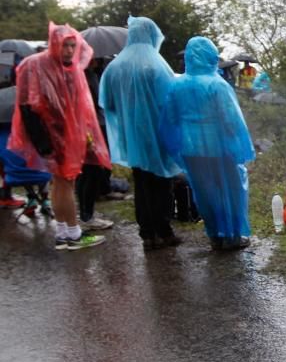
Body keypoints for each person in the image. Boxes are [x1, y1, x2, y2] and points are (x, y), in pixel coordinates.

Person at [8, 22, 112, 250]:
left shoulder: (68, 68)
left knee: (60, 183)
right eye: (65, 45)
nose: (69, 51)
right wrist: (43, 143)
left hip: (67, 135)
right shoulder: (35, 65)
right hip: (54, 137)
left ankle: (64, 232)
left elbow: (79, 106)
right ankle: (74, 235)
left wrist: (84, 134)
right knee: (65, 183)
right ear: (54, 44)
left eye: (73, 46)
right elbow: (27, 107)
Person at [159, 37, 255, 251]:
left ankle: (214, 236)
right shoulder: (217, 84)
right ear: (211, 56)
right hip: (219, 147)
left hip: (191, 148)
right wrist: (240, 145)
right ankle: (232, 235)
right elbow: (231, 120)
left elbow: (170, 119)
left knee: (204, 192)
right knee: (229, 190)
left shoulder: (177, 84)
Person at [100, 16, 184, 250]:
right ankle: (164, 231)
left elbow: (107, 102)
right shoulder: (157, 64)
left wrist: (130, 113)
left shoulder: (115, 67)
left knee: (142, 182)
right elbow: (172, 101)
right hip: (157, 134)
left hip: (132, 136)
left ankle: (147, 234)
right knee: (162, 181)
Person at [75, 56, 114, 232]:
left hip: (90, 125)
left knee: (86, 172)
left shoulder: (88, 73)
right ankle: (87, 216)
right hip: (92, 127)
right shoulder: (84, 75)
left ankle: (85, 213)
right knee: (91, 171)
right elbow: (97, 100)